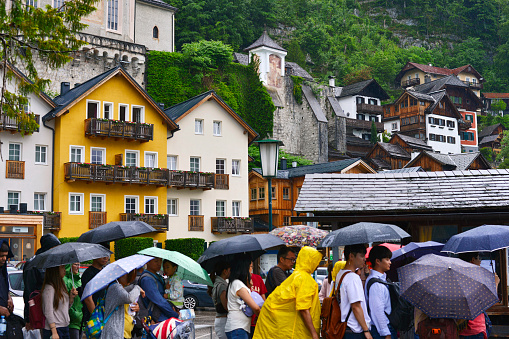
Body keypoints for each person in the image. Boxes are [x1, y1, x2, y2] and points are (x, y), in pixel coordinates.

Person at [253, 246, 322, 339]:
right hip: (289, 326)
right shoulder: (303, 278)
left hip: (281, 326)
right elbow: (303, 308)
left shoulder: (296, 275)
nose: (317, 266)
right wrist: (314, 333)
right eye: (316, 262)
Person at [457, 252, 498, 339]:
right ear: (472, 260)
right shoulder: (476, 278)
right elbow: (488, 301)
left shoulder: (456, 277)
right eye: (479, 259)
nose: (480, 262)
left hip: (459, 328)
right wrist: (495, 284)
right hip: (475, 328)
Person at [23, 233, 61, 328]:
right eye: (54, 248)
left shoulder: (52, 263)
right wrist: (29, 317)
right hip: (37, 310)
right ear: (48, 248)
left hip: (51, 310)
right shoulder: (33, 264)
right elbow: (29, 292)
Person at [336, 244, 373, 339]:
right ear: (351, 256)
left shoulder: (340, 274)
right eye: (361, 256)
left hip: (344, 326)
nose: (364, 259)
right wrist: (366, 330)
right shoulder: (353, 277)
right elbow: (356, 306)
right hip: (355, 329)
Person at [225, 254, 261, 339]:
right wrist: (260, 316)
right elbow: (255, 307)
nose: (251, 270)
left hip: (238, 328)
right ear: (245, 268)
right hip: (238, 328)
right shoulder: (238, 284)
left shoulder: (236, 283)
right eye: (251, 267)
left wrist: (248, 285)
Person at [101, 270, 144, 339]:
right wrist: (137, 288)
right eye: (129, 276)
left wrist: (136, 309)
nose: (130, 280)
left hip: (123, 333)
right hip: (115, 333)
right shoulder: (115, 287)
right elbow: (129, 298)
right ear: (121, 274)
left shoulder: (121, 288)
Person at [365, 245, 397, 339]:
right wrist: (386, 333)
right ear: (377, 261)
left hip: (384, 328)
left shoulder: (380, 279)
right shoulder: (376, 284)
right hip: (382, 330)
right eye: (387, 259)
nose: (390, 262)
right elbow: (378, 311)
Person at [42, 265, 78, 339]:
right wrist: (54, 331)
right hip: (54, 328)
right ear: (55, 270)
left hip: (64, 327)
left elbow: (64, 308)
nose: (64, 270)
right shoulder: (49, 288)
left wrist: (71, 298)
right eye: (62, 267)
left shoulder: (61, 285)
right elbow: (48, 311)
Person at [139, 256, 179, 322]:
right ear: (148, 262)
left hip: (163, 314)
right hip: (156, 317)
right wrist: (174, 314)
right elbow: (159, 301)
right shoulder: (147, 280)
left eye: (160, 261)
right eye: (156, 261)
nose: (159, 264)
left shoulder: (158, 277)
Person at [80, 255, 109, 329]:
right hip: (94, 317)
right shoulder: (89, 273)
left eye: (107, 255)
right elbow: (88, 298)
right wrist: (96, 317)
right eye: (103, 255)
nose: (106, 257)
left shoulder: (105, 271)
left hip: (104, 314)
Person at [209, 261, 230, 339]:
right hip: (223, 321)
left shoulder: (217, 283)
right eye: (229, 270)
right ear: (225, 271)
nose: (230, 272)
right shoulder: (222, 286)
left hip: (220, 320)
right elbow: (226, 306)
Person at [63, 263, 82, 339]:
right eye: (75, 264)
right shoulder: (65, 281)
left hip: (80, 318)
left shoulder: (78, 280)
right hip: (72, 319)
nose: (78, 267)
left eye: (78, 264)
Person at [249, 262, 266, 338]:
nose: (250, 268)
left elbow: (263, 296)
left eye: (251, 266)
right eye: (249, 266)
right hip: (246, 319)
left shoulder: (258, 278)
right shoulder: (240, 281)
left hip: (257, 318)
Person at [0, 240, 14, 318]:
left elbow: (4, 287)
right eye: (1, 256)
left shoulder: (3, 270)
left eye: (6, 256)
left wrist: (9, 298)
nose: (4, 259)